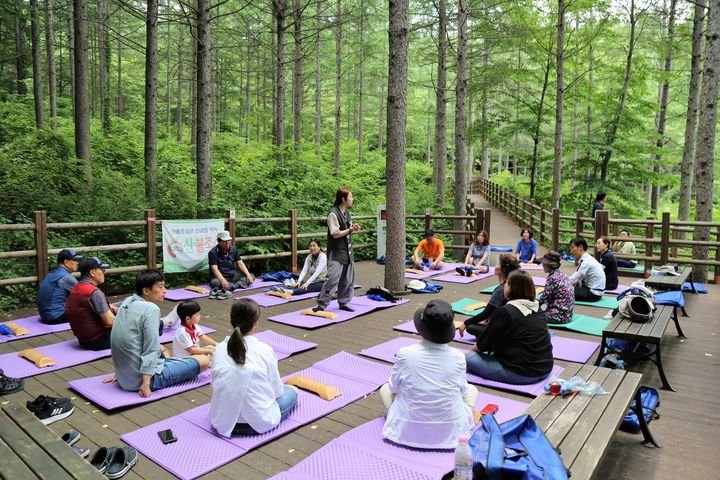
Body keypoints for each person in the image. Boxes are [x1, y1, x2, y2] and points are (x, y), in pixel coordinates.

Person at [380, 300, 477, 449]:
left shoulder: (406, 353)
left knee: (385, 388)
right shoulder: (458, 357)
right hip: (451, 434)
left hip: (405, 432)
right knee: (471, 390)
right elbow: (463, 391)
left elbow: (393, 387)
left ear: (422, 328)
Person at [109, 270, 211, 398]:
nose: (165, 290)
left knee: (162, 348)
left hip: (126, 377)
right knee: (204, 360)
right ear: (146, 291)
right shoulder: (151, 309)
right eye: (161, 286)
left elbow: (119, 340)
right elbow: (150, 349)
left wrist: (120, 373)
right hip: (142, 380)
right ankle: (169, 367)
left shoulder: (128, 301)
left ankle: (171, 362)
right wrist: (146, 383)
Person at [209, 299, 299, 437]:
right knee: (292, 390)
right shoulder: (264, 350)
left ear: (232, 321)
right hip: (256, 424)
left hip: (222, 421)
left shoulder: (219, 349)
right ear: (255, 323)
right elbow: (277, 391)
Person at [464, 270, 554, 384]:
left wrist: (470, 354)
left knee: (469, 358)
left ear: (511, 288)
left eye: (507, 283)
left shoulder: (505, 311)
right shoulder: (537, 308)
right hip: (545, 368)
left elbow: (483, 345)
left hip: (522, 373)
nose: (504, 286)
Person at [314, 188, 360, 313]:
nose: (352, 199)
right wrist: (351, 230)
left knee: (347, 279)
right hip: (336, 252)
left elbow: (347, 230)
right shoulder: (333, 214)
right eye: (350, 197)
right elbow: (335, 234)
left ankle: (343, 302)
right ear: (343, 199)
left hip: (348, 251)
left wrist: (353, 228)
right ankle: (322, 304)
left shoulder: (347, 213)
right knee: (333, 279)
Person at [459, 254, 520, 338]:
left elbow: (486, 313)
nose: (495, 266)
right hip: (514, 327)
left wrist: (465, 323)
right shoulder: (513, 284)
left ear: (503, 269)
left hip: (504, 331)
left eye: (498, 264)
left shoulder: (501, 289)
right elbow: (495, 309)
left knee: (470, 327)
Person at [66, 257, 117, 350]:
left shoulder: (76, 288)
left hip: (83, 340)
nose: (103, 273)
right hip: (99, 340)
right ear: (92, 272)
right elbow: (110, 321)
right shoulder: (94, 292)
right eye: (102, 270)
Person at [37, 249, 83, 324]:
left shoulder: (52, 274)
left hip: (44, 315)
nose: (77, 263)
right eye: (75, 260)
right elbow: (86, 295)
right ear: (66, 262)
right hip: (55, 317)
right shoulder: (66, 278)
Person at [208, 230, 255, 300]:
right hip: (219, 277)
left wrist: (248, 275)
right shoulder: (213, 252)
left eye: (228, 241)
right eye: (224, 241)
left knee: (251, 276)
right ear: (219, 241)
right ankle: (234, 285)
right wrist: (223, 280)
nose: (227, 243)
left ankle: (232, 287)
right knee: (215, 283)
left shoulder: (234, 249)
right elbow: (214, 269)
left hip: (232, 275)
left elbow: (240, 263)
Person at [537, 251, 574, 324]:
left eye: (544, 263)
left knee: (530, 316)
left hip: (559, 316)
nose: (543, 265)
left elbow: (544, 299)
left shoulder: (553, 278)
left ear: (550, 265)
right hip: (568, 314)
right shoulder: (561, 273)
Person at [568, 237, 606, 302]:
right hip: (596, 292)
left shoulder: (586, 261)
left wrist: (559, 283)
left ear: (580, 247)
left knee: (563, 291)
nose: (571, 251)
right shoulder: (587, 258)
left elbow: (573, 279)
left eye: (572, 248)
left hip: (593, 294)